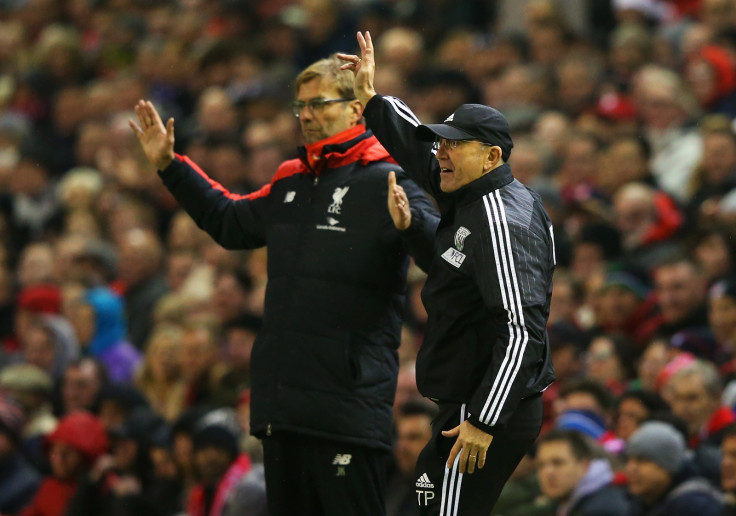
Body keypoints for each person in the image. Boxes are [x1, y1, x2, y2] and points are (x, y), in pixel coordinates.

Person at [130, 53, 439, 515]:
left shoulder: (388, 177)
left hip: (347, 406)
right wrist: (170, 166)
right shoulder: (291, 180)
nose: (308, 116)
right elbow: (229, 222)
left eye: (319, 104)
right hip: (282, 405)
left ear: (357, 109)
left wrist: (412, 225)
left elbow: (442, 254)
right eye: (301, 107)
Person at [339, 31, 555, 514]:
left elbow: (522, 332)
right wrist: (371, 98)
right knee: (425, 501)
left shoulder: (503, 220)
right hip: (463, 405)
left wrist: (484, 420)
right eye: (441, 142)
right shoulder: (470, 189)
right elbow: (414, 147)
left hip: (484, 411)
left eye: (453, 146)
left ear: (492, 156)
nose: (439, 153)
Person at [626, 421, 724, 515]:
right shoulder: (642, 502)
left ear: (668, 465)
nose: (631, 468)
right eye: (629, 459)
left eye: (642, 460)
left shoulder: (695, 506)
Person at [535, 429, 630, 516]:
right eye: (541, 465)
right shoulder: (566, 500)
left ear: (584, 465)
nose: (548, 472)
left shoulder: (600, 511)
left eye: (558, 463)